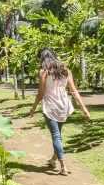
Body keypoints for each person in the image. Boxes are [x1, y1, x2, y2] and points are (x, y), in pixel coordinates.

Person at [29, 48, 90, 176]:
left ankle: (63, 166)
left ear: (42, 59)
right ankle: (53, 160)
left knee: (56, 136)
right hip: (63, 106)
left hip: (50, 107)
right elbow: (74, 91)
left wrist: (33, 108)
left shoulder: (43, 72)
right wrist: (84, 109)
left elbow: (40, 93)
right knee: (58, 135)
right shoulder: (65, 70)